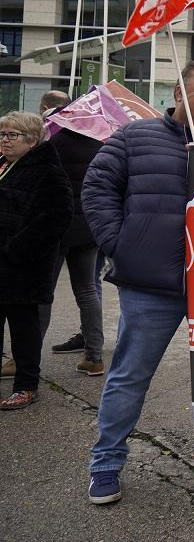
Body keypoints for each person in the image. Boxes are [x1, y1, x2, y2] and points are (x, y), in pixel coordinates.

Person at [82, 61, 194, 506]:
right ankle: (106, 462)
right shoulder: (134, 137)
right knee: (130, 375)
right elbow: (97, 188)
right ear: (179, 93)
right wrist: (121, 245)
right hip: (150, 286)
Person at [0, 111, 73, 409]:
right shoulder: (6, 163)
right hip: (5, 264)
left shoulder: (48, 171)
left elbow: (57, 218)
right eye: (2, 134)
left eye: (12, 135)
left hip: (22, 268)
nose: (5, 140)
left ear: (32, 141)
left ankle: (26, 385)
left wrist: (14, 251)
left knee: (23, 328)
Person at [41, 98, 106, 376]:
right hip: (88, 229)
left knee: (43, 293)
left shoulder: (51, 141)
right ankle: (94, 356)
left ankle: (24, 357)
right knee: (88, 291)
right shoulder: (99, 143)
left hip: (56, 227)